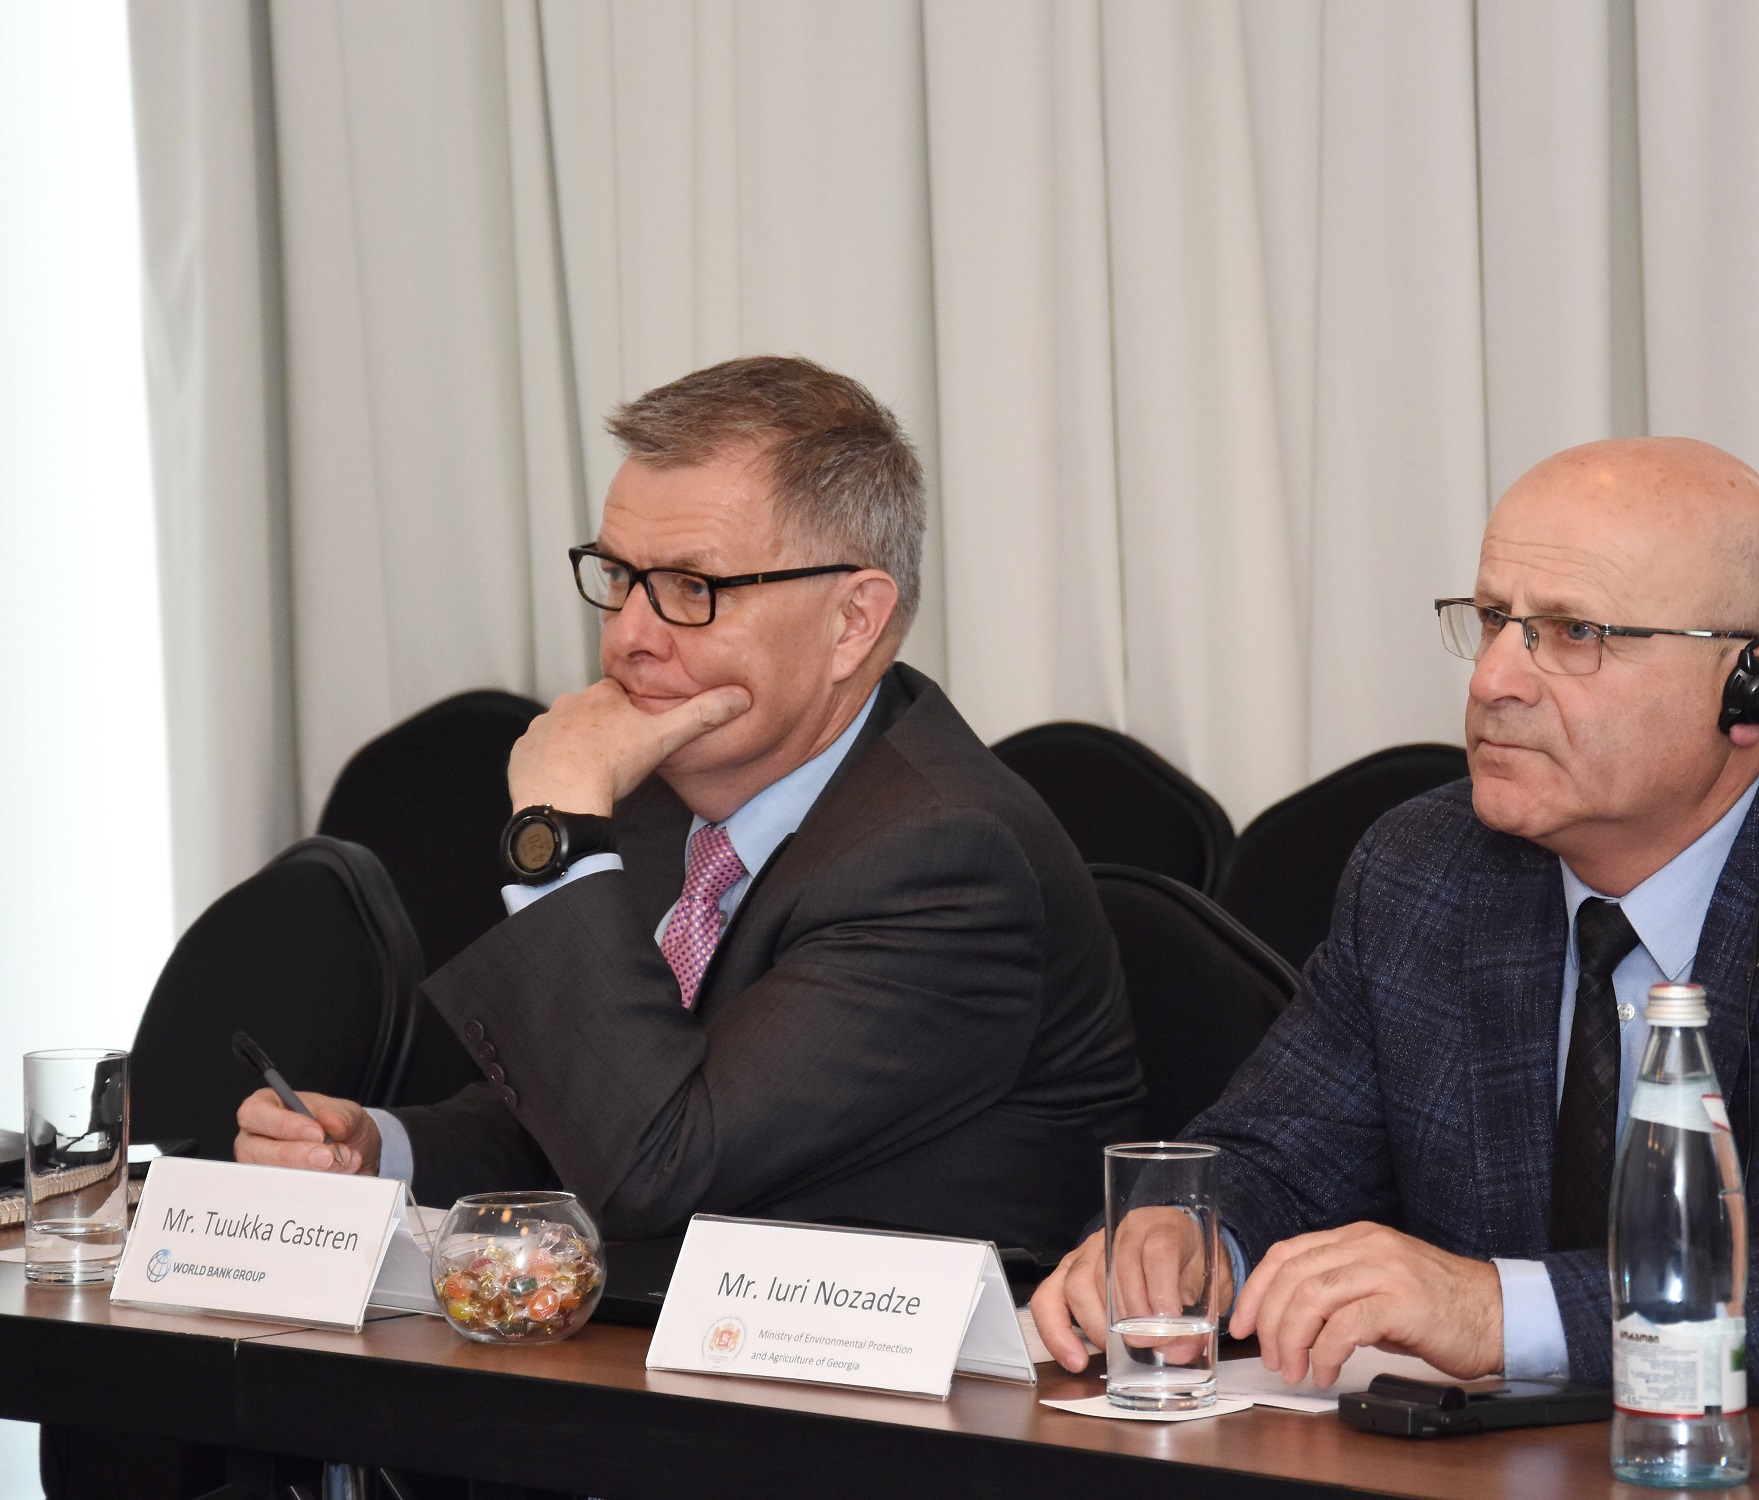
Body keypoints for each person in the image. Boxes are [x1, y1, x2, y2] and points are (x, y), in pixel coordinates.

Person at [1032, 436, 1759, 1421]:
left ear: (1749, 695)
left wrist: (1501, 1312)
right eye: (1492, 620)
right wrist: (1191, 1236)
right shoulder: (1426, 870)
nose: (1494, 681)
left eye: (1574, 634)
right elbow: (1281, 1156)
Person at [234, 355, 1144, 1253]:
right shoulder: (672, 791)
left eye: (690, 588)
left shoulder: (945, 860)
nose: (629, 636)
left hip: (870, 1345)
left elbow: (653, 1167)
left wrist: (558, 831)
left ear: (852, 622)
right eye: (618, 576)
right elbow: (576, 1115)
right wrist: (378, 1152)